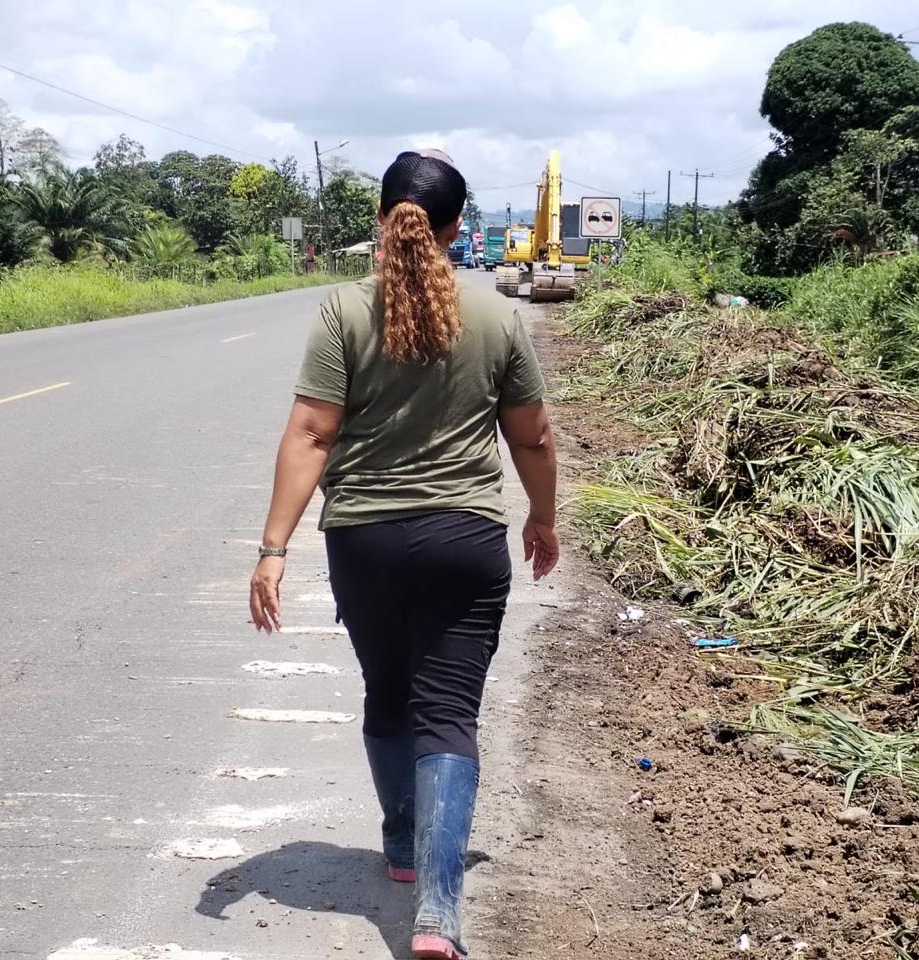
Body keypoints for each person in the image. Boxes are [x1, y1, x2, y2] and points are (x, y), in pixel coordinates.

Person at [248, 148, 559, 960]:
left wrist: (273, 548)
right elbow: (532, 437)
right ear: (457, 228)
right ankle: (438, 913)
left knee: (388, 695)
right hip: (465, 541)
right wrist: (543, 518)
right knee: (447, 714)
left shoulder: (343, 311)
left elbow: (311, 434)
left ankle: (400, 842)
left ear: (383, 219)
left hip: (365, 542)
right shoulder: (494, 315)